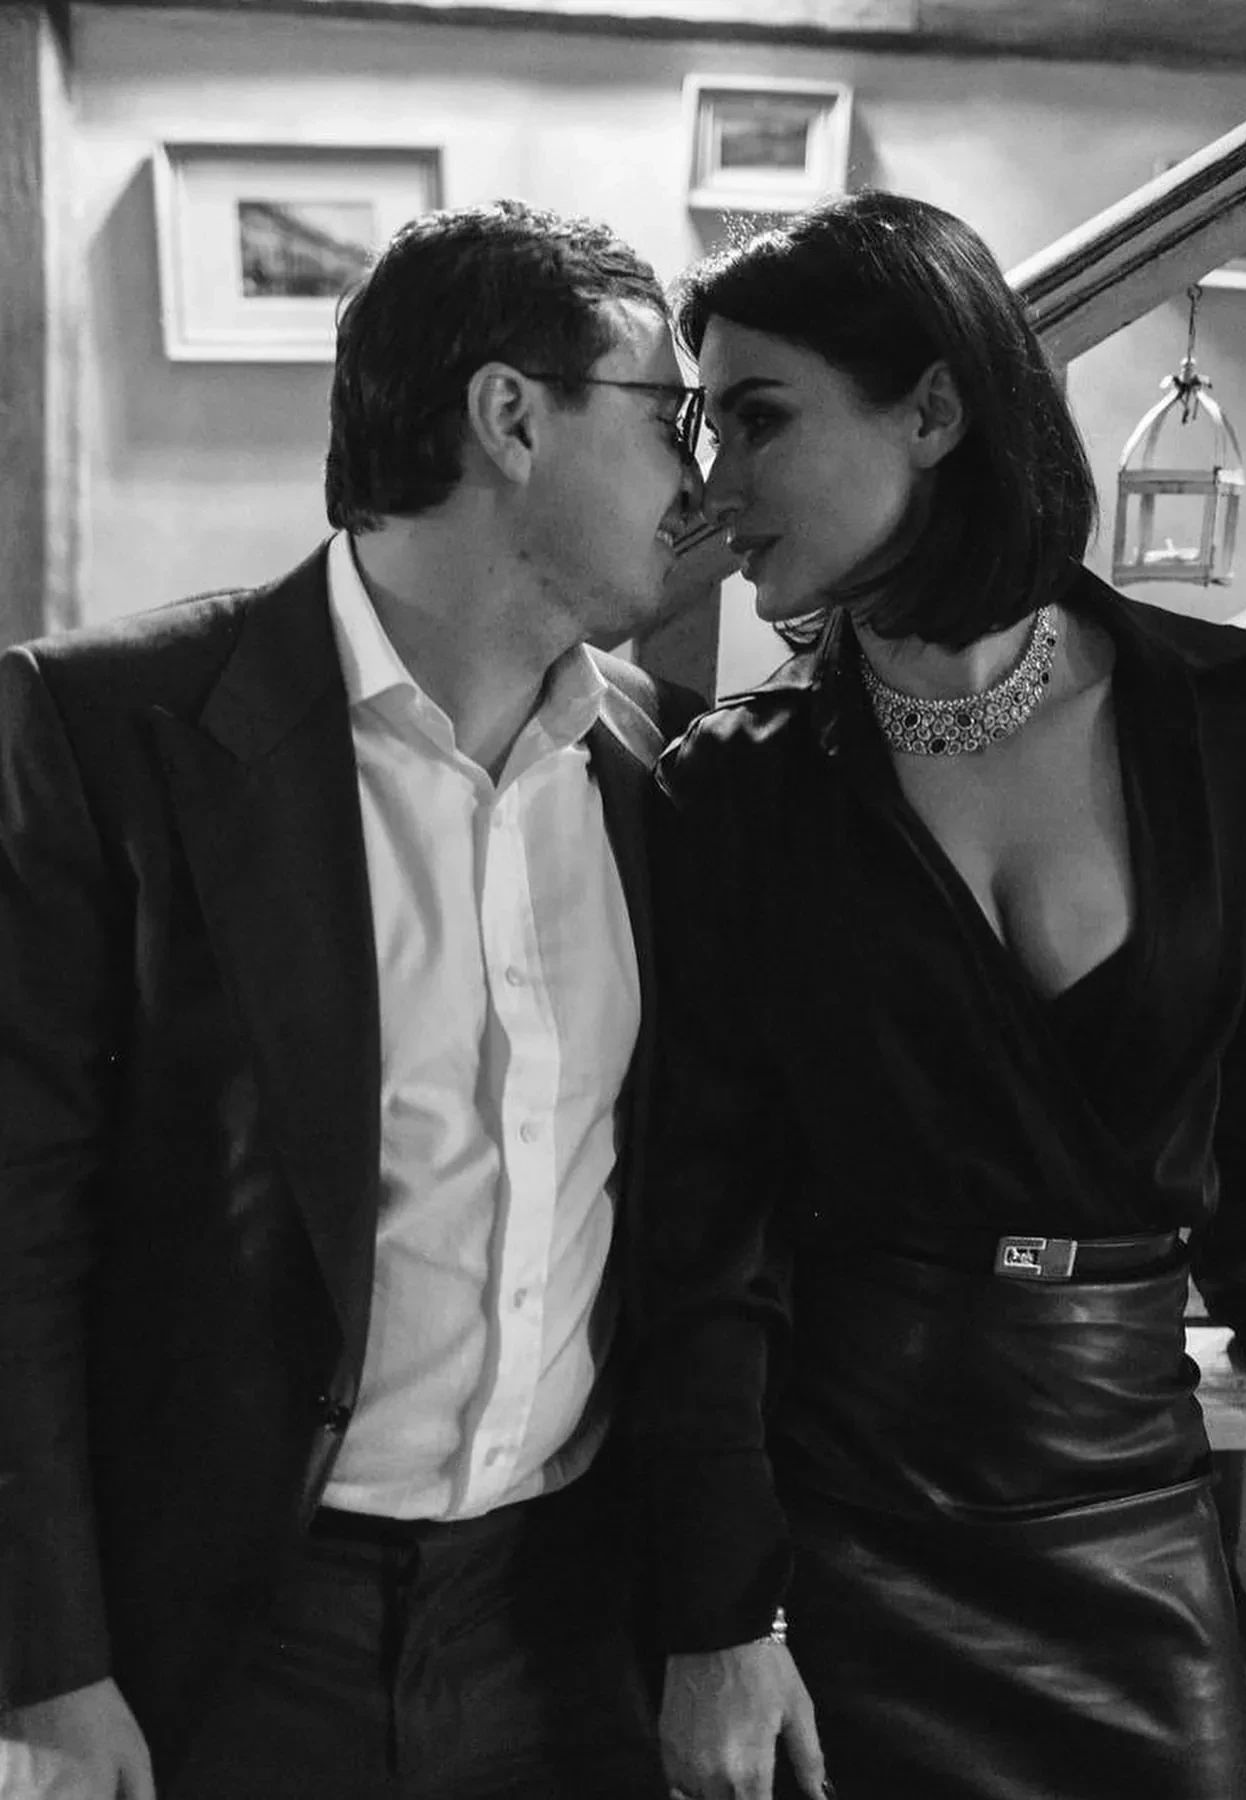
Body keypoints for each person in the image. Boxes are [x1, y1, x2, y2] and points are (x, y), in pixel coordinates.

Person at [627, 189, 1246, 1800]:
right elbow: (700, 1229)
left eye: (759, 418)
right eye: (706, 429)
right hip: (840, 1500)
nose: (717, 485)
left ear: (933, 409)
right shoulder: (740, 789)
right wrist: (720, 1602)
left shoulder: (1236, 722)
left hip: (1122, 1483)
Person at [0, 198, 715, 1800]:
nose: (696, 482)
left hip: (565, 1629)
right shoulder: (109, 732)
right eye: (669, 417)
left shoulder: (668, 771)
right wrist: (46, 1667)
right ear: (511, 417)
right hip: (232, 1636)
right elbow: (17, 1222)